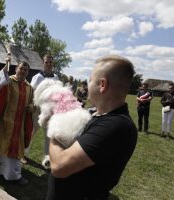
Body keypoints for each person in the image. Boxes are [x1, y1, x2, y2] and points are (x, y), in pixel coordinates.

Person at [46, 55, 138, 200]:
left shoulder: (116, 126)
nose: (87, 85)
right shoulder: (95, 114)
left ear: (102, 84)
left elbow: (59, 166)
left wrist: (54, 127)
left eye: (90, 80)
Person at [0, 59, 33, 185]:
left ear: (28, 72)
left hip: (19, 125)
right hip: (4, 121)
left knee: (15, 150)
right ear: (16, 69)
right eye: (21, 68)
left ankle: (13, 176)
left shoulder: (29, 87)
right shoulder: (8, 81)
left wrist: (33, 106)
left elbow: (32, 102)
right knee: (0, 146)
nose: (23, 71)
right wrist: (5, 67)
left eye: (25, 70)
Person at [24, 54, 59, 168]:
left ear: (53, 64)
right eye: (46, 62)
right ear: (43, 63)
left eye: (50, 62)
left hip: (50, 112)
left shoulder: (56, 78)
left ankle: (47, 161)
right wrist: (32, 105)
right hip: (38, 110)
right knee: (32, 132)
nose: (48, 64)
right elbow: (31, 91)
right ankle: (24, 155)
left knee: (49, 136)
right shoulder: (38, 77)